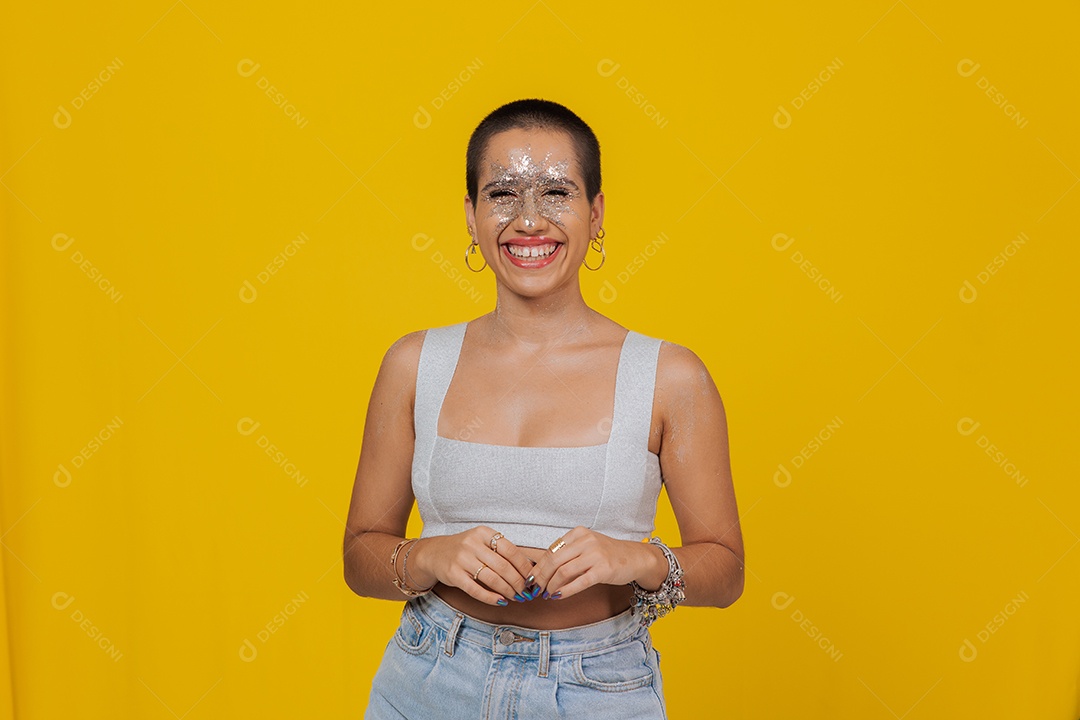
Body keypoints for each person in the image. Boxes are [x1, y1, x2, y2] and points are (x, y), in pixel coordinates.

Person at [343, 98, 744, 719]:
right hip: (428, 676)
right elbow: (360, 554)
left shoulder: (669, 376)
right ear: (472, 216)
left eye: (556, 192)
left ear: (597, 212)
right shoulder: (414, 365)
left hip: (598, 687)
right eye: (503, 193)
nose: (529, 220)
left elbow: (724, 571)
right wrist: (426, 556)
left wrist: (636, 558)